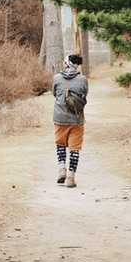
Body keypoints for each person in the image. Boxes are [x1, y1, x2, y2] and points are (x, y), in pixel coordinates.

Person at [52, 53, 89, 187]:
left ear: (66, 63)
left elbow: (55, 93)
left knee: (60, 144)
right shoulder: (83, 80)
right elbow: (84, 94)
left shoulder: (57, 78)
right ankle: (70, 178)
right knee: (75, 149)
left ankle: (62, 169)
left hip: (59, 117)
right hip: (76, 119)